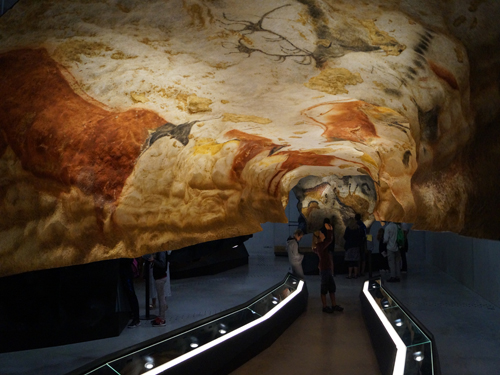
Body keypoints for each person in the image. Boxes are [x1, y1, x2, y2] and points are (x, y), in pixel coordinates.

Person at [312, 223, 343, 313]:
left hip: (326, 268)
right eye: (321, 233)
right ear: (318, 237)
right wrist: (330, 230)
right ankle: (325, 306)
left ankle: (333, 305)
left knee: (331, 288)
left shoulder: (320, 245)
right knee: (324, 288)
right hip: (325, 269)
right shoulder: (320, 246)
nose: (323, 234)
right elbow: (329, 240)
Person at [119, 258, 141, 328]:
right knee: (130, 294)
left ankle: (136, 318)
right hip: (126, 272)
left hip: (126, 273)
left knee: (131, 294)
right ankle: (134, 316)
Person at [149, 251, 169, 327]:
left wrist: (153, 260)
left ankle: (162, 318)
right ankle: (161, 317)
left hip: (160, 277)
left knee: (161, 298)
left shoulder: (161, 251)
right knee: (161, 297)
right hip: (160, 276)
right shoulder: (161, 251)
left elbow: (162, 264)